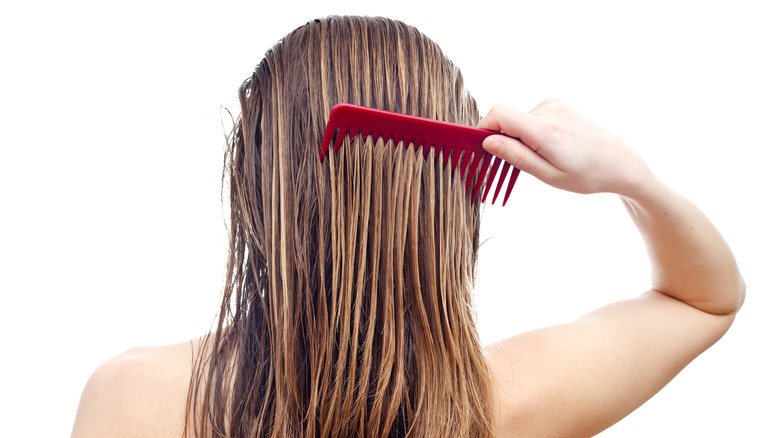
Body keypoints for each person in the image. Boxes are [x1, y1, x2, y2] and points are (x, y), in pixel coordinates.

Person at [71, 16, 745, 438]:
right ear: (450, 201)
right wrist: (633, 180)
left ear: (258, 185)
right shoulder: (500, 407)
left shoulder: (135, 401)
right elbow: (706, 297)